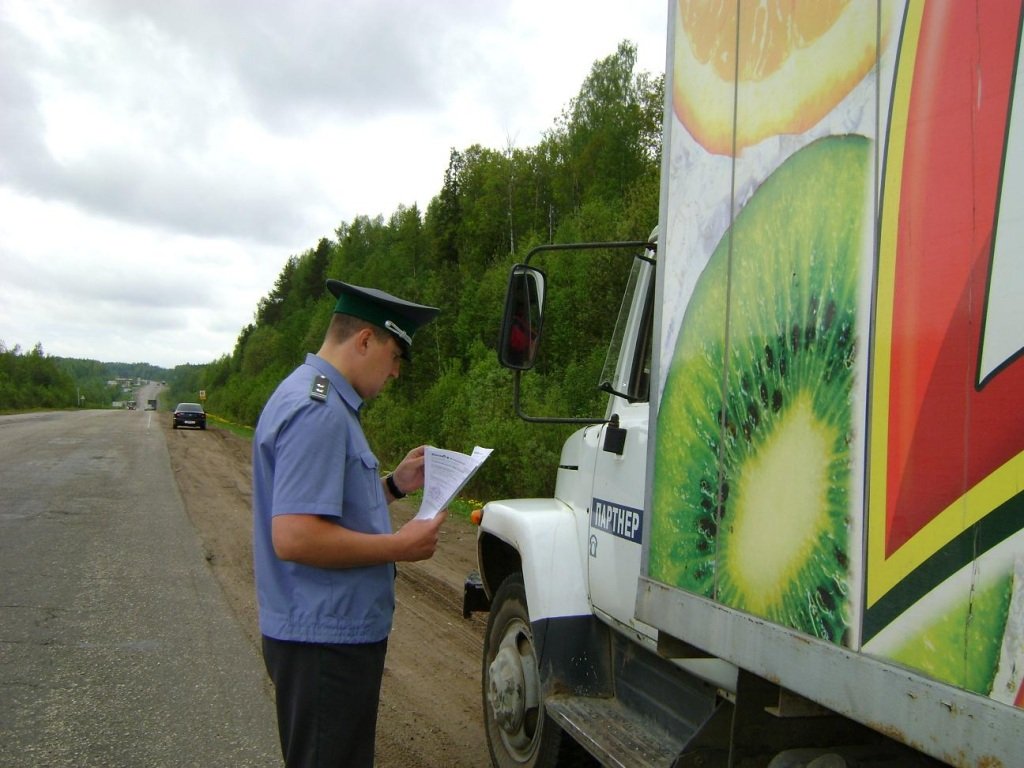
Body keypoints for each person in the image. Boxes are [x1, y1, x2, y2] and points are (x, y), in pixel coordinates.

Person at [252, 278, 445, 768]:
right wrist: (400, 546)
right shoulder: (318, 411)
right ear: (364, 341)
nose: (396, 371)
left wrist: (394, 485)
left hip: (326, 633)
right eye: (395, 356)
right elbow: (295, 536)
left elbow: (326, 504)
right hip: (324, 640)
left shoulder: (319, 400)